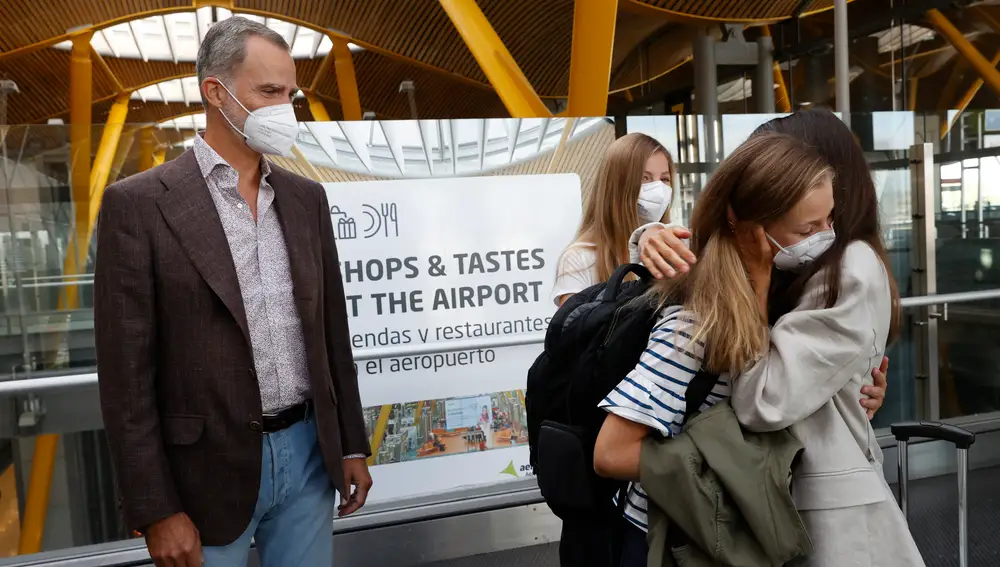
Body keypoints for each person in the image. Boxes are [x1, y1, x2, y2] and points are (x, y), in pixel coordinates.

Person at [94, 17, 371, 567]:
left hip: (310, 455)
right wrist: (155, 509)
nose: (283, 108)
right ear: (215, 93)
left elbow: (331, 333)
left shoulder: (305, 198)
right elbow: (126, 379)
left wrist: (351, 444)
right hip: (203, 474)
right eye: (268, 92)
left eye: (289, 93)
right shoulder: (140, 205)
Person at [594, 131, 923, 565]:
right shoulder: (697, 323)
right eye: (808, 228)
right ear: (751, 228)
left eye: (830, 221)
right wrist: (728, 463)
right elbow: (611, 453)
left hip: (716, 529)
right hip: (668, 535)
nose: (825, 238)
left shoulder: (772, 293)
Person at [632, 110, 889, 419]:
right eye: (807, 228)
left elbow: (768, 398)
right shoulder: (773, 268)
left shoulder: (843, 269)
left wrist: (852, 381)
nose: (824, 234)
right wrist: (648, 234)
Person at [550, 132, 695, 307]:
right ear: (617, 185)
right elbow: (572, 329)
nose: (658, 188)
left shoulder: (675, 249)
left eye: (665, 179)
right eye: (644, 178)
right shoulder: (580, 258)